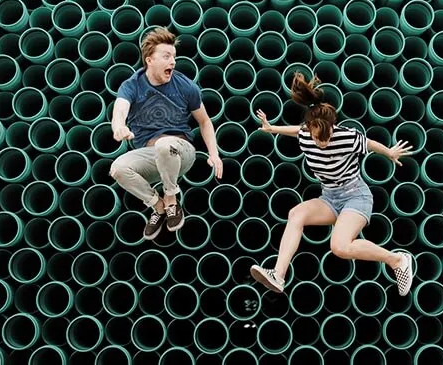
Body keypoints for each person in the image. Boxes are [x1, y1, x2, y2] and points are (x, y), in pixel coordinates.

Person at [250, 72, 415, 296]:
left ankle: (397, 260)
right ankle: (278, 276)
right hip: (330, 197)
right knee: (296, 214)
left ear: (333, 128)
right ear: (309, 130)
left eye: (326, 137)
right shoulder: (305, 134)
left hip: (356, 196)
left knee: (339, 247)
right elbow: (295, 131)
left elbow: (371, 143)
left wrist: (389, 152)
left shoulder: (346, 137)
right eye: (317, 138)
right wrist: (272, 129)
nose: (323, 143)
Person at [110, 27, 223, 241]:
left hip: (182, 152)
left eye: (174, 57)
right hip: (151, 155)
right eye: (166, 56)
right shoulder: (131, 86)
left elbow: (204, 121)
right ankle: (158, 206)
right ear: (149, 60)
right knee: (118, 169)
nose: (173, 61)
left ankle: (171, 198)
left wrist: (214, 154)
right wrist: (119, 127)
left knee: (165, 145)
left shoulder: (186, 86)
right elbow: (120, 110)